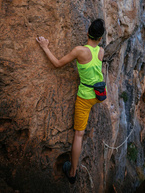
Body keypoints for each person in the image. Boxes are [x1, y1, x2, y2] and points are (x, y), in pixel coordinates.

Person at [36, 18, 106, 184]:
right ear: (101, 38)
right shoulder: (101, 51)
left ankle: (73, 172)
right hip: (99, 94)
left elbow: (58, 64)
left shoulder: (79, 51)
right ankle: (73, 168)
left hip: (85, 97)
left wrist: (45, 47)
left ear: (87, 33)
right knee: (82, 128)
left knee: (78, 134)